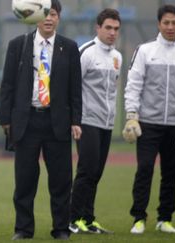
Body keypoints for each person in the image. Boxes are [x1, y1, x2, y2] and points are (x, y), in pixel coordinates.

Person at [0, 0, 82, 240]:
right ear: (35, 16)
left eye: (53, 14)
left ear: (58, 18)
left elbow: (75, 89)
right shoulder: (18, 45)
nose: (48, 18)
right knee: (24, 180)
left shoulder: (69, 47)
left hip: (58, 123)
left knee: (61, 181)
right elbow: (7, 85)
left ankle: (61, 229)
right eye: (44, 13)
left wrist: (76, 120)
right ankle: (23, 229)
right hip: (26, 122)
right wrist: (5, 118)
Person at [123, 4, 175, 234]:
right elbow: (133, 85)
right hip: (147, 123)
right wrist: (131, 116)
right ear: (159, 24)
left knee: (171, 173)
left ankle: (165, 218)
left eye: (174, 23)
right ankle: (139, 218)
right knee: (144, 169)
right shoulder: (145, 51)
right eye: (166, 22)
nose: (170, 27)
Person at [68, 8, 122, 234]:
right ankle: (71, 220)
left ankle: (88, 220)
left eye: (116, 29)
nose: (112, 33)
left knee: (96, 172)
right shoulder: (86, 52)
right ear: (97, 28)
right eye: (108, 27)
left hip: (106, 123)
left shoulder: (117, 57)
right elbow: (73, 87)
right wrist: (74, 120)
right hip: (87, 120)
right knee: (87, 170)